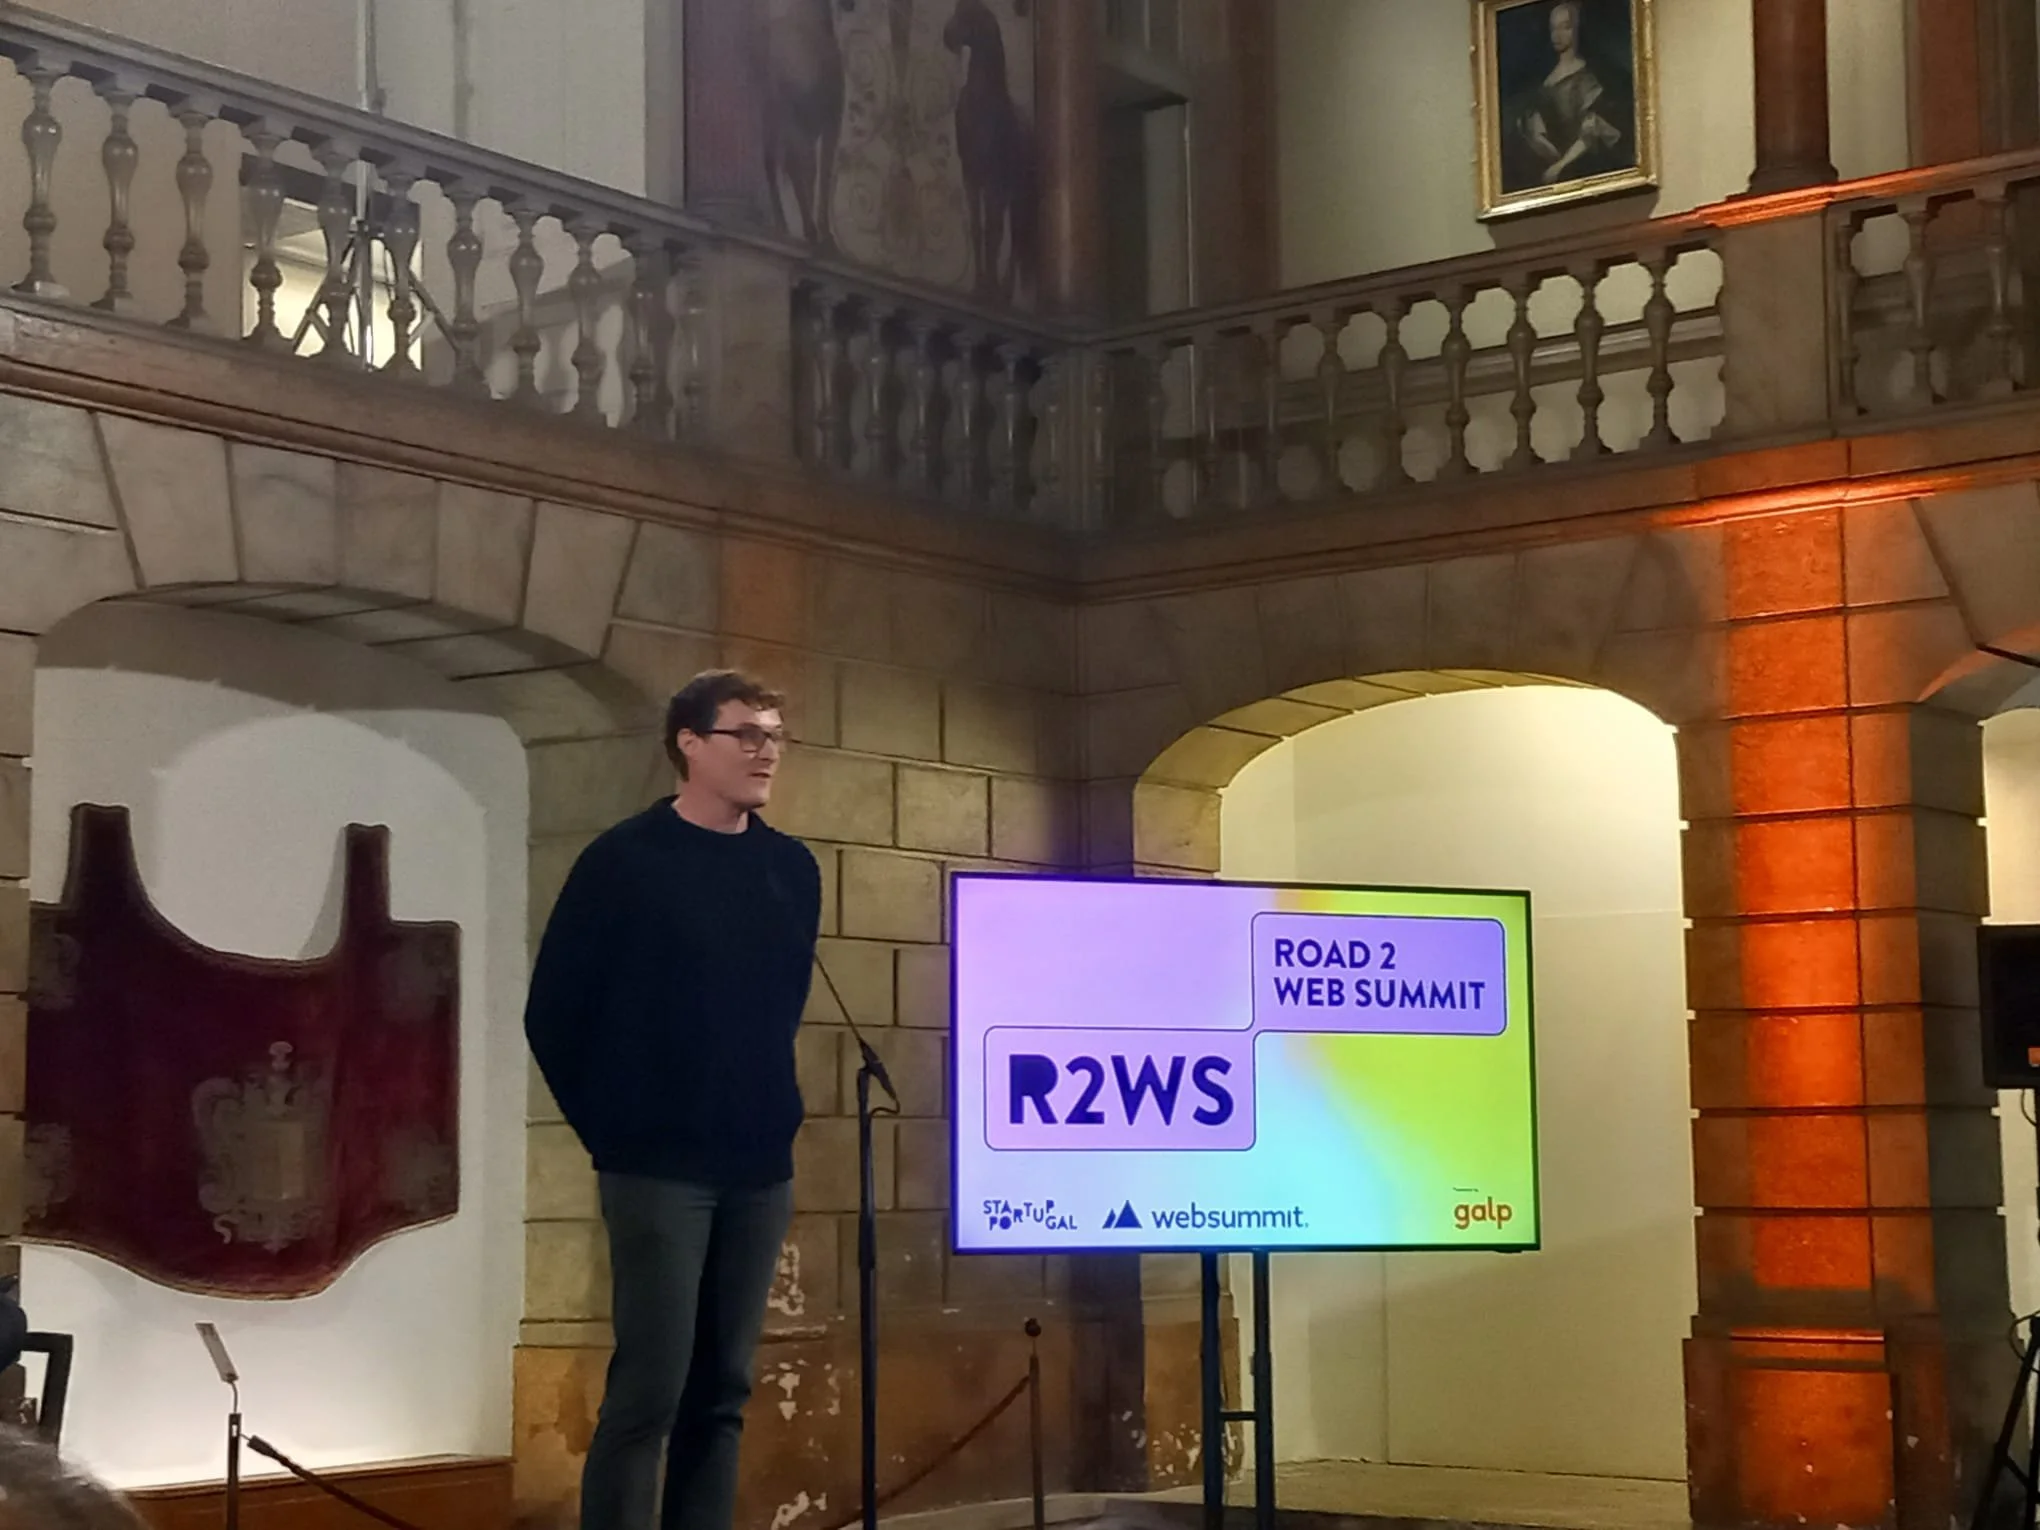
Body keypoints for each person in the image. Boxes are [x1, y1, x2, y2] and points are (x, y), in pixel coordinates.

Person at [526, 669, 821, 1530]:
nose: (766, 751)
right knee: (651, 1386)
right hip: (657, 1167)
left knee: (722, 1389)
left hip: (758, 1166)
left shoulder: (790, 868)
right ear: (690, 744)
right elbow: (554, 1013)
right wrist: (618, 1130)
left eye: (775, 735)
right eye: (746, 734)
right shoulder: (624, 862)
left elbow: (778, 1008)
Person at [1511, 1, 1631, 189]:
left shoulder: (1586, 78)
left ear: (1576, 29)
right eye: (1553, 28)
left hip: (1580, 166)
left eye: (1564, 27)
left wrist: (1560, 165)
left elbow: (1592, 130)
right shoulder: (1546, 81)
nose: (1557, 35)